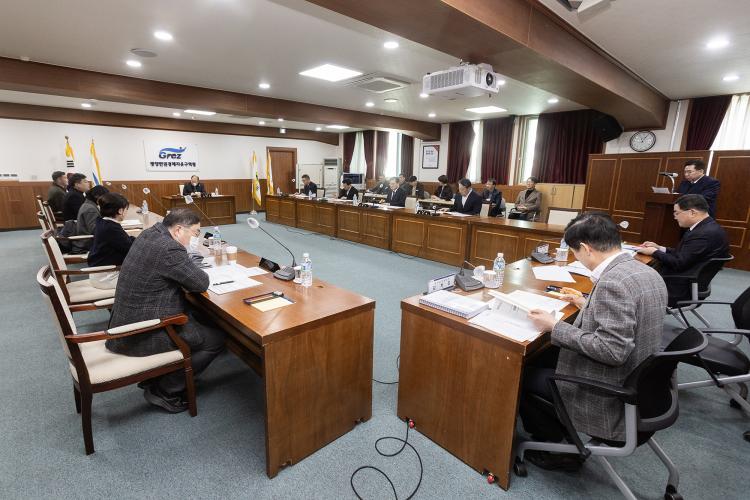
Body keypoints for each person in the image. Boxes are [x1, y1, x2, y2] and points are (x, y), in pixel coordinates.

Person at [521, 212, 667, 470]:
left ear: (586, 248)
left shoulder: (613, 282)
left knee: (521, 373)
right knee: (545, 355)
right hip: (642, 381)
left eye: (575, 253)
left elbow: (612, 351)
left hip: (608, 393)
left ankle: (558, 447)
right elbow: (632, 316)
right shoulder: (645, 271)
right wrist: (585, 303)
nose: (577, 258)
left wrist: (554, 326)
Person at [106, 208, 226, 413]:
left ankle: (160, 375)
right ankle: (165, 389)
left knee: (199, 315)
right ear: (178, 230)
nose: (195, 238)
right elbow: (200, 283)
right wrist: (189, 261)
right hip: (144, 330)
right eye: (195, 233)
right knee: (215, 340)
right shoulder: (170, 249)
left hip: (126, 318)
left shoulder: (150, 233)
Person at [637, 194, 730, 304]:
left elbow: (679, 263)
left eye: (677, 213)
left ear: (692, 212)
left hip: (679, 287)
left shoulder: (703, 234)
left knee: (635, 281)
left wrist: (654, 252)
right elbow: (684, 254)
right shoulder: (706, 227)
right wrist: (660, 248)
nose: (675, 217)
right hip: (688, 281)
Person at [87, 193, 135, 289]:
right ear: (120, 211)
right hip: (107, 276)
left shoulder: (103, 221)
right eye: (126, 209)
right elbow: (130, 249)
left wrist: (138, 239)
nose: (126, 212)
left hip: (101, 272)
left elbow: (125, 241)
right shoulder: (111, 228)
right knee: (148, 279)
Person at [73, 185, 109, 252]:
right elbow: (94, 230)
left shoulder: (88, 204)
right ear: (97, 196)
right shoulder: (90, 209)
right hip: (89, 242)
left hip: (88, 239)